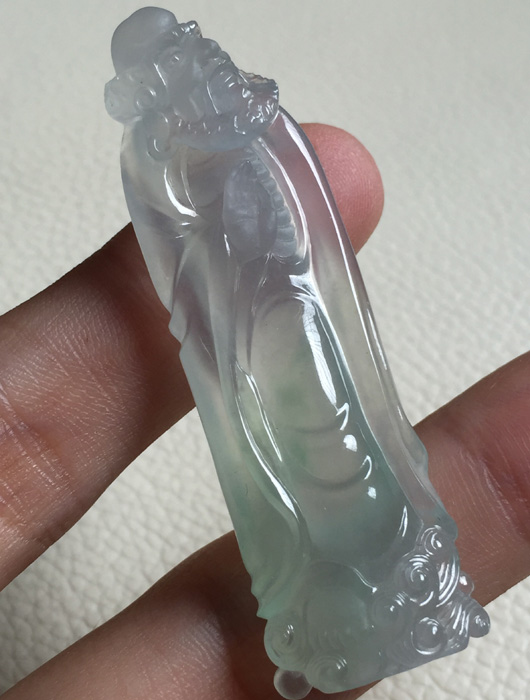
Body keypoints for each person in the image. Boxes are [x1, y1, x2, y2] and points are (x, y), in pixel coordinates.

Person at [0, 124, 527, 699]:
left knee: (342, 442)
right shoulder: (209, 258)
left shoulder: (284, 266)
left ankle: (382, 592)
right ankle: (345, 610)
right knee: (298, 453)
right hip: (262, 362)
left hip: (306, 358)